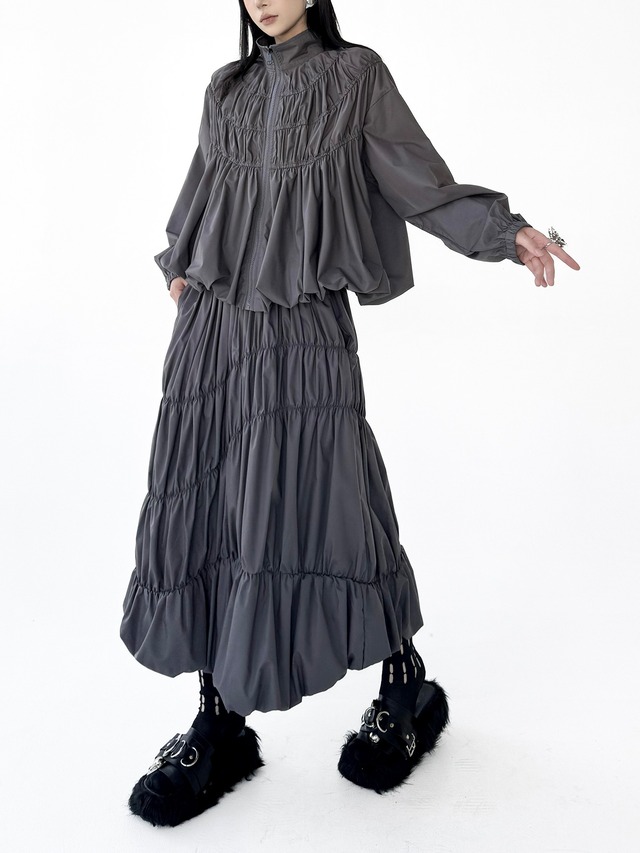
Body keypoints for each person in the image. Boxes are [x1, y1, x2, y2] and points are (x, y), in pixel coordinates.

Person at [121, 0, 581, 828]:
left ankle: (405, 683)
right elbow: (201, 189)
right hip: (213, 328)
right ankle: (219, 718)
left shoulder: (353, 75)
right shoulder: (225, 87)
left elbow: (418, 182)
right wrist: (181, 263)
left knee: (335, 503)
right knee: (212, 504)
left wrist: (506, 232)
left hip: (301, 324)